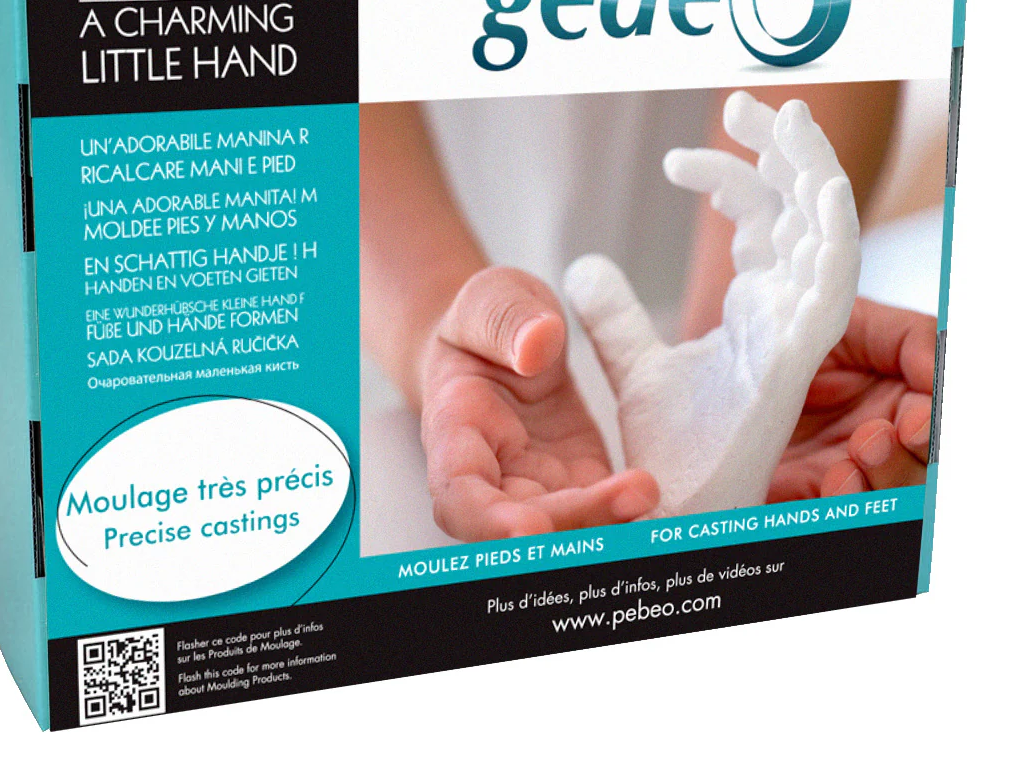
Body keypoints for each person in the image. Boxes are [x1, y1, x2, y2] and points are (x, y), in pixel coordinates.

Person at [360, 85, 936, 543]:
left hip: (687, 260)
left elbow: (817, 0)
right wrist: (437, 328)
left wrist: (742, 339)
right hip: (380, 302)